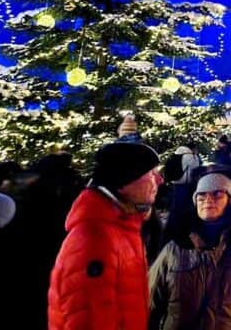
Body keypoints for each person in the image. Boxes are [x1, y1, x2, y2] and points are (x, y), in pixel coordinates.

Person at [48, 141, 162, 330]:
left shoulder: (123, 226)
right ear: (125, 182)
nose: (159, 180)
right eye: (151, 173)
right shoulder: (95, 237)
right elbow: (89, 318)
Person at [149, 170, 231, 330]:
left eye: (217, 194)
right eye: (201, 196)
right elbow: (148, 304)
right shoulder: (176, 247)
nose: (207, 200)